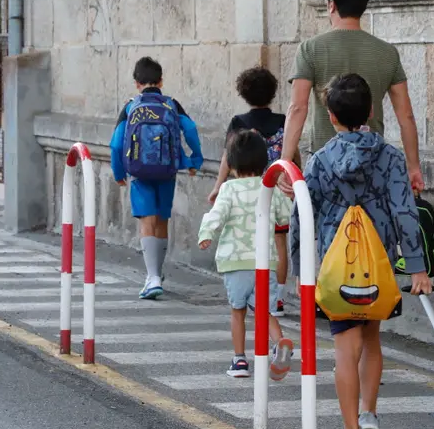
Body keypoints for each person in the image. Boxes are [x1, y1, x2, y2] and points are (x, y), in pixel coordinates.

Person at [290, 74, 432, 429]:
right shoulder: (390, 158)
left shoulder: (320, 161)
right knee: (371, 336)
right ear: (371, 110)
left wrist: (299, 266)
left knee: (344, 348)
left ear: (331, 117)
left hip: (338, 265)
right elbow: (406, 213)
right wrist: (417, 268)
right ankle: (369, 417)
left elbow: (303, 214)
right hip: (379, 261)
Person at [281, 0, 424, 193]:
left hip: (325, 163)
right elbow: (405, 115)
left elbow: (298, 108)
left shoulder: (310, 49)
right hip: (373, 163)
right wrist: (413, 166)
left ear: (331, 5)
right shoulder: (387, 53)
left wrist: (286, 162)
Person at [198, 131, 297, 379]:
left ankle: (240, 360)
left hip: (236, 260)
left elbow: (217, 215)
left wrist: (206, 233)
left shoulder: (229, 189)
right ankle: (280, 342)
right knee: (265, 310)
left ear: (231, 164)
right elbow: (286, 215)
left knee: (237, 310)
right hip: (266, 260)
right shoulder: (270, 187)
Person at [110, 56, 203, 300]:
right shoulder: (171, 104)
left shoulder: (131, 106)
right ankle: (157, 274)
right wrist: (195, 159)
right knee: (161, 219)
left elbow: (116, 143)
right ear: (161, 81)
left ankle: (151, 278)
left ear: (136, 83)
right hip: (167, 170)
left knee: (146, 221)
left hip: (139, 172)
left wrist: (119, 172)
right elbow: (190, 130)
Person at [209, 66, 296, 316]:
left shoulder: (240, 122)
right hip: (279, 187)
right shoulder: (283, 121)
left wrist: (218, 186)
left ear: (244, 94)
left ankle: (250, 290)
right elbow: (293, 153)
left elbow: (229, 155)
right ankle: (277, 297)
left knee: (251, 239)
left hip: (247, 190)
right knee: (279, 241)